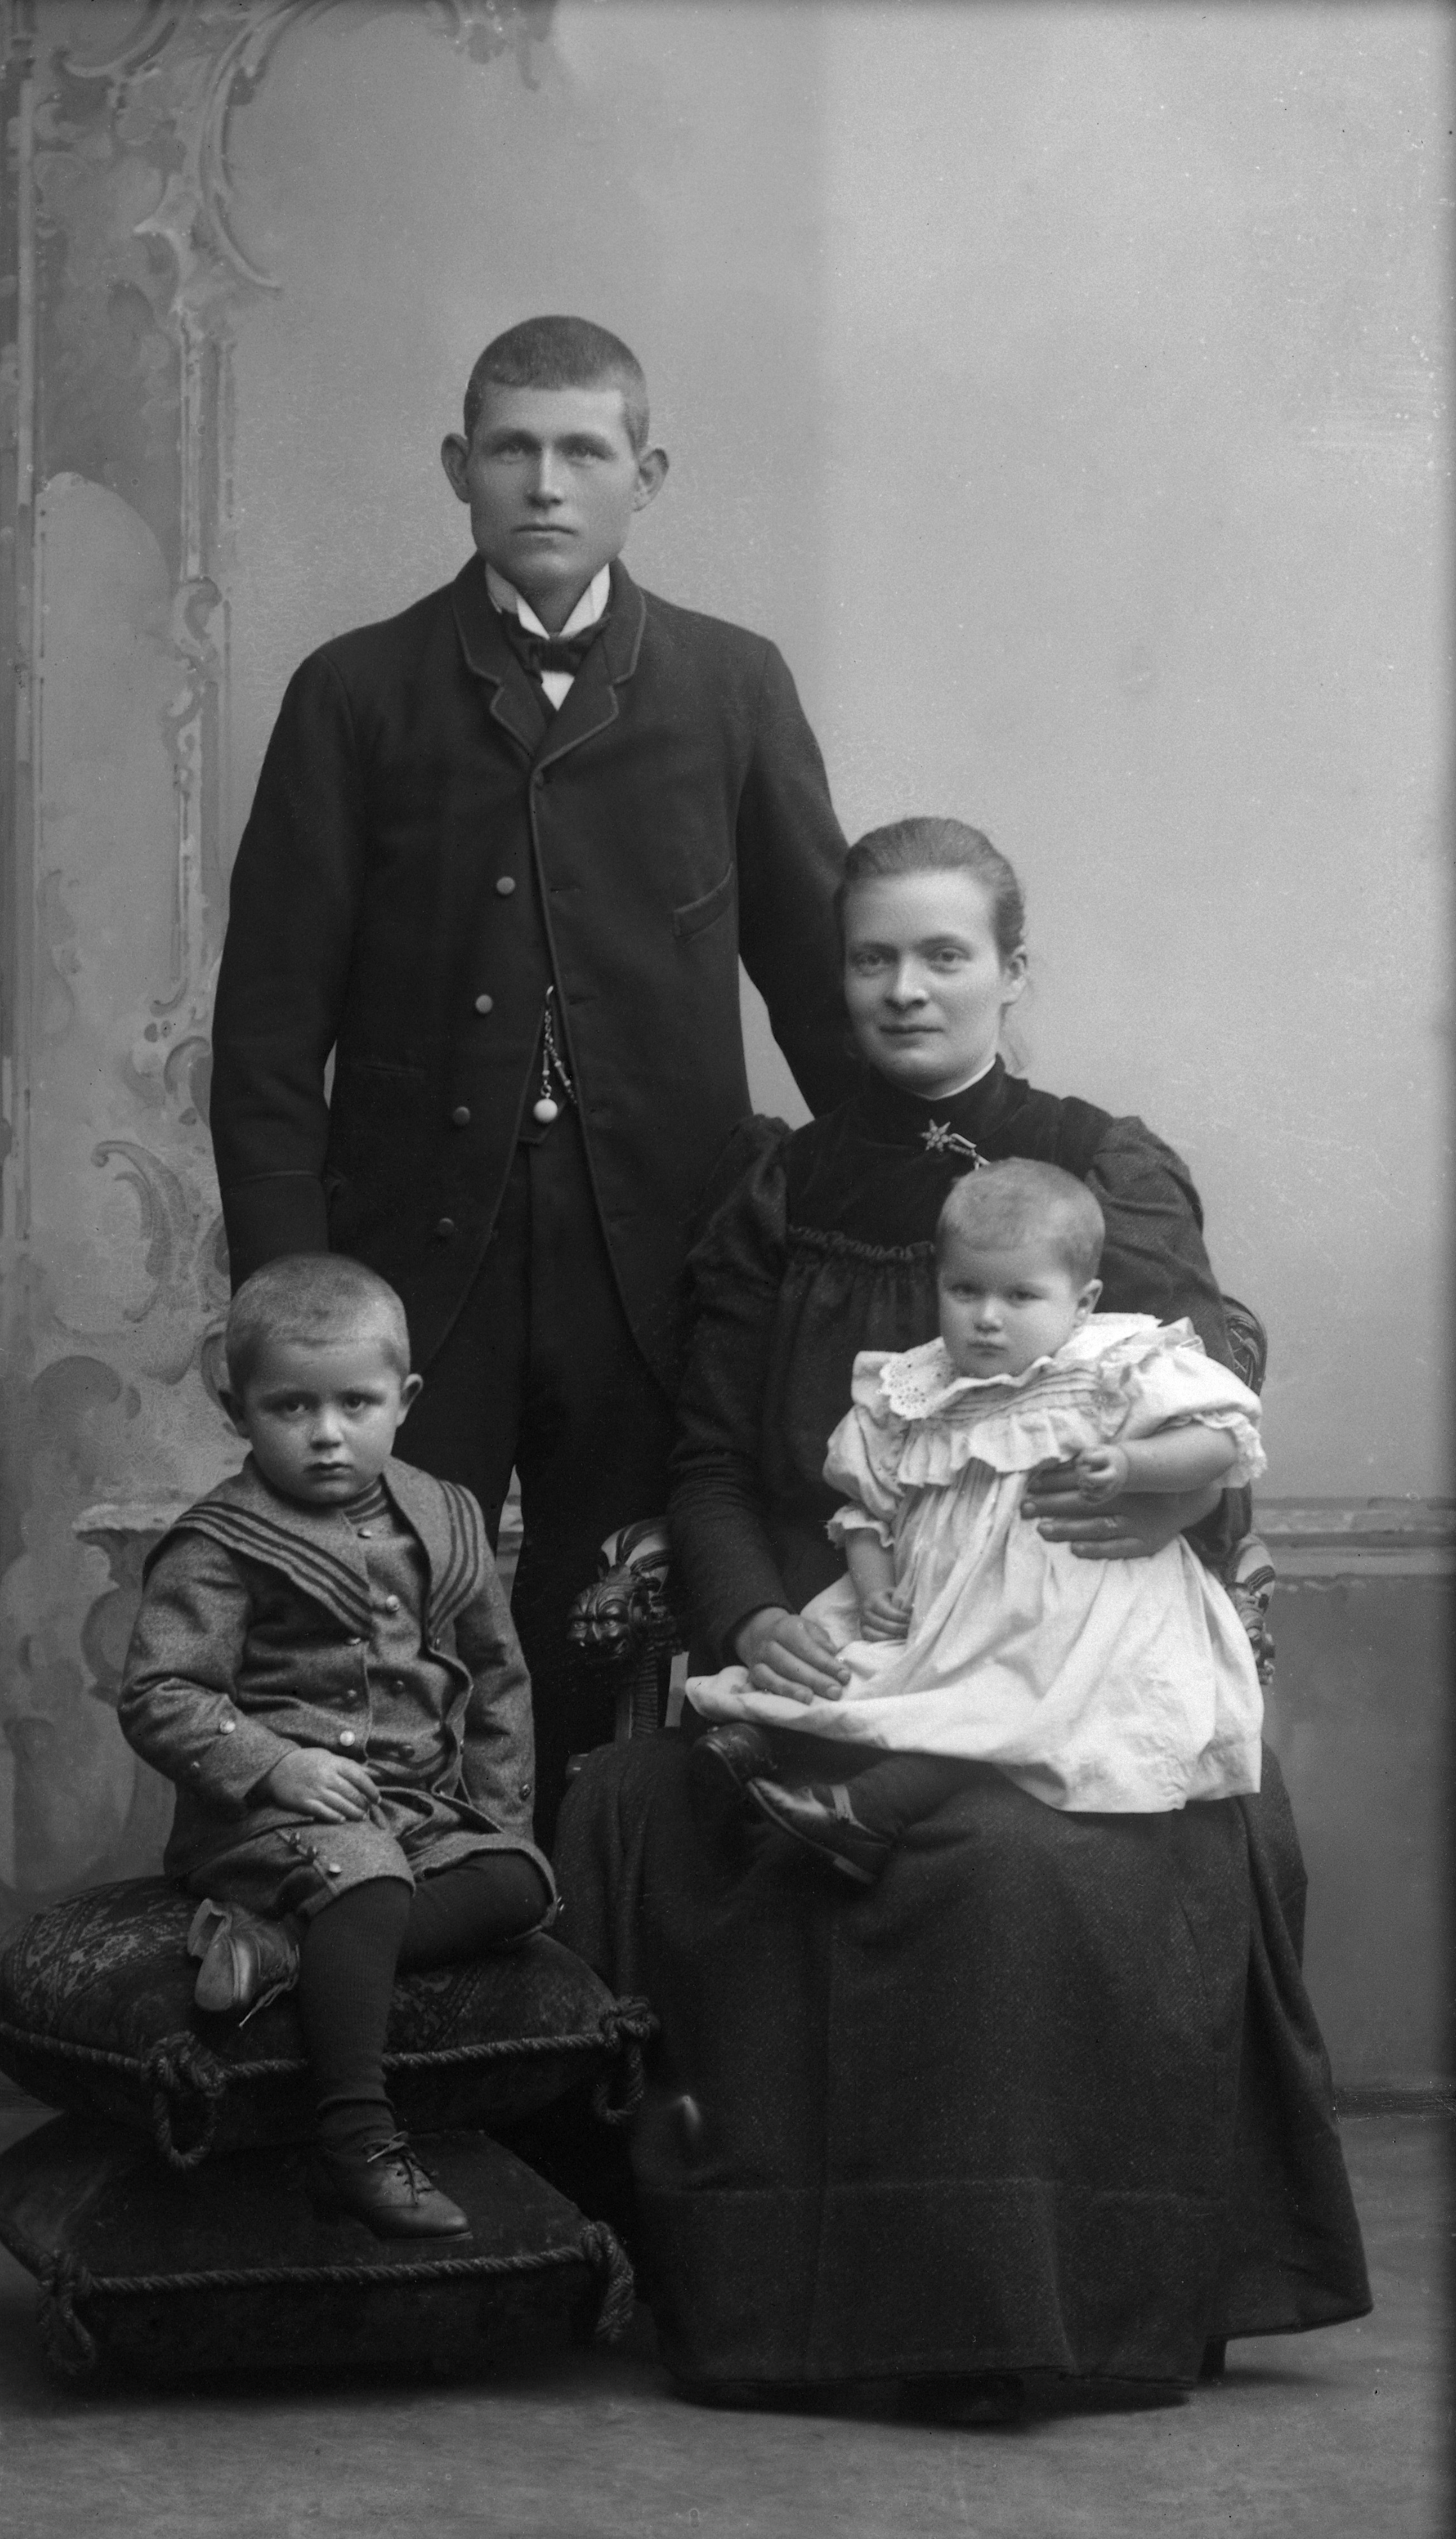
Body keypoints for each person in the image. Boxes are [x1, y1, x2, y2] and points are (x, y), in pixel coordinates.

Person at [555, 818, 1370, 2413]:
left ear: (1011, 971)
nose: (905, 988)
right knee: (634, 1803)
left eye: (943, 954)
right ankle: (756, 2294)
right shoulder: (780, 1184)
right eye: (872, 957)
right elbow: (711, 1461)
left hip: (1059, 1649)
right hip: (856, 1634)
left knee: (1004, 1863)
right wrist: (749, 1619)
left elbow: (1199, 1394)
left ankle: (1019, 2309)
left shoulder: (1093, 1171)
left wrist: (1169, 1496)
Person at [209, 315, 855, 1843]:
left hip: (656, 1261)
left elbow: (823, 993)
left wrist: (915, 1197)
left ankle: (590, 1959)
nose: (545, 483)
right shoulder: (354, 692)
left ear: (647, 474)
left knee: (611, 1626)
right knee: (376, 1630)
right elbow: (268, 1034)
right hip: (414, 1266)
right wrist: (293, 1294)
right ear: (459, 467)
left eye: (581, 450)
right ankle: (403, 1940)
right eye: (511, 448)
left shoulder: (730, 685)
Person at [118, 1254, 553, 2239]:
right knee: (368, 1876)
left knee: (521, 1882)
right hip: (268, 1821)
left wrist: (496, 1819)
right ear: (238, 1409)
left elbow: (497, 1679)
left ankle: (281, 1946)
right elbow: (159, 1691)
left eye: (355, 1403)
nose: (325, 1432)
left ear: (404, 1400)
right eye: (291, 1406)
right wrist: (276, 1762)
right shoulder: (221, 1540)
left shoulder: (447, 1515)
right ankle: (355, 2140)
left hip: (416, 1812)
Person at [686, 1158, 1268, 1875]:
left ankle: (868, 1809)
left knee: (1006, 1701)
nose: (987, 1317)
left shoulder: (1109, 1366)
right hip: (939, 1611)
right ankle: (760, 1744)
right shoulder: (918, 1389)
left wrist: (1132, 1465)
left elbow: (1219, 1441)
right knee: (845, 1665)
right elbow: (868, 1510)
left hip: (1069, 1614)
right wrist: (875, 1589)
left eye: (1020, 1295)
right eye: (964, 1290)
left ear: (1081, 1303)